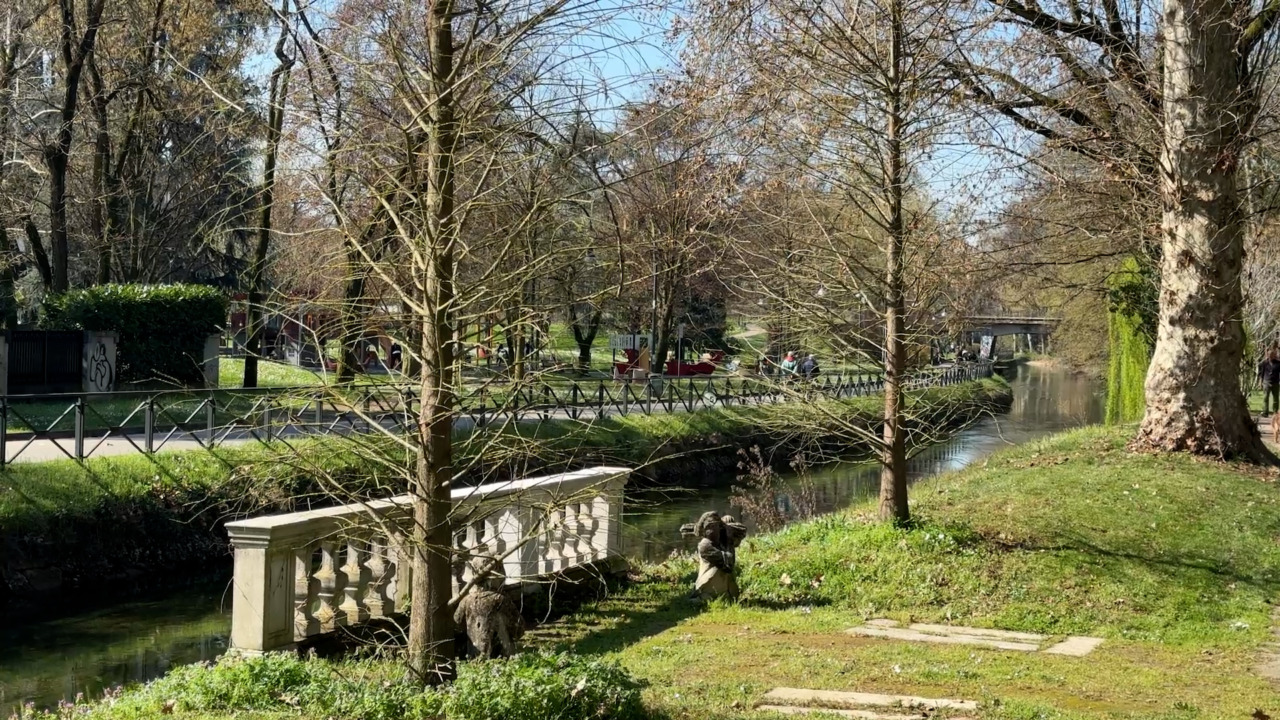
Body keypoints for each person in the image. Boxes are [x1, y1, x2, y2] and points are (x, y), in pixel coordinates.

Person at [1260, 347, 1280, 416]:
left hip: (1276, 383)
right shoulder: (1265, 363)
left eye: (1273, 355)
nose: (1271, 356)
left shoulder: (1278, 363)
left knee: (1276, 399)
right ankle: (1265, 412)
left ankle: (1275, 412)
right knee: (1265, 398)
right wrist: (1260, 382)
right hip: (1266, 382)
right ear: (1268, 355)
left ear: (1275, 355)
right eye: (1270, 355)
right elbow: (1262, 373)